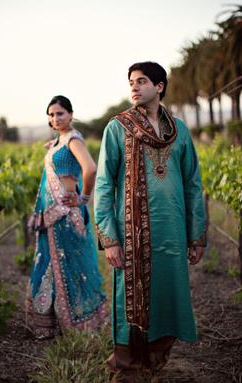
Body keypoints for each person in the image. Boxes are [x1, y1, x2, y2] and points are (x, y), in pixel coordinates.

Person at [94, 61, 206, 382]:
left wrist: (195, 235)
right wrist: (110, 239)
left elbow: (193, 183)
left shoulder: (179, 130)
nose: (133, 86)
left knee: (168, 291)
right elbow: (103, 184)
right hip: (131, 235)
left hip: (172, 231)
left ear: (159, 87)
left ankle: (156, 358)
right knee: (127, 297)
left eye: (141, 81)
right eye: (131, 81)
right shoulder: (118, 128)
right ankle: (128, 365)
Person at [26, 95, 108, 339]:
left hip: (65, 212)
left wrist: (83, 198)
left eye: (60, 113)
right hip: (54, 214)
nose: (55, 118)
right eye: (51, 115)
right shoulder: (60, 140)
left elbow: (90, 168)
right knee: (52, 262)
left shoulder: (73, 139)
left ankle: (80, 321)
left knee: (69, 263)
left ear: (71, 114)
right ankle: (52, 320)